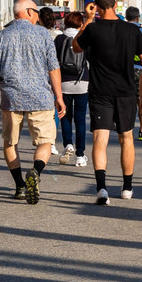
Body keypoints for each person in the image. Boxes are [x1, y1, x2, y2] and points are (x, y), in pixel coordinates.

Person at [74, 0, 142, 205]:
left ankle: (102, 188)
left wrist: (88, 18)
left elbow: (76, 47)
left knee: (99, 140)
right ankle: (127, 187)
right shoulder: (132, 31)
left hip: (99, 92)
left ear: (97, 7)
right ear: (115, 4)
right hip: (125, 92)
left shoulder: (92, 29)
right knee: (126, 139)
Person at [0, 0, 66, 204]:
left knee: (10, 141)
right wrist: (59, 97)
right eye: (35, 12)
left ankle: (19, 186)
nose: (37, 16)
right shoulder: (44, 34)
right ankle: (35, 172)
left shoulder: (1, 36)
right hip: (41, 97)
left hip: (12, 98)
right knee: (45, 141)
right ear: (28, 11)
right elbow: (53, 68)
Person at [55, 12, 91, 167]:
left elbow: (53, 62)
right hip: (82, 82)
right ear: (79, 23)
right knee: (80, 119)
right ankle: (80, 155)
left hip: (63, 83)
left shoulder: (59, 39)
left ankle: (68, 144)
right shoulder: (84, 38)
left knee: (65, 116)